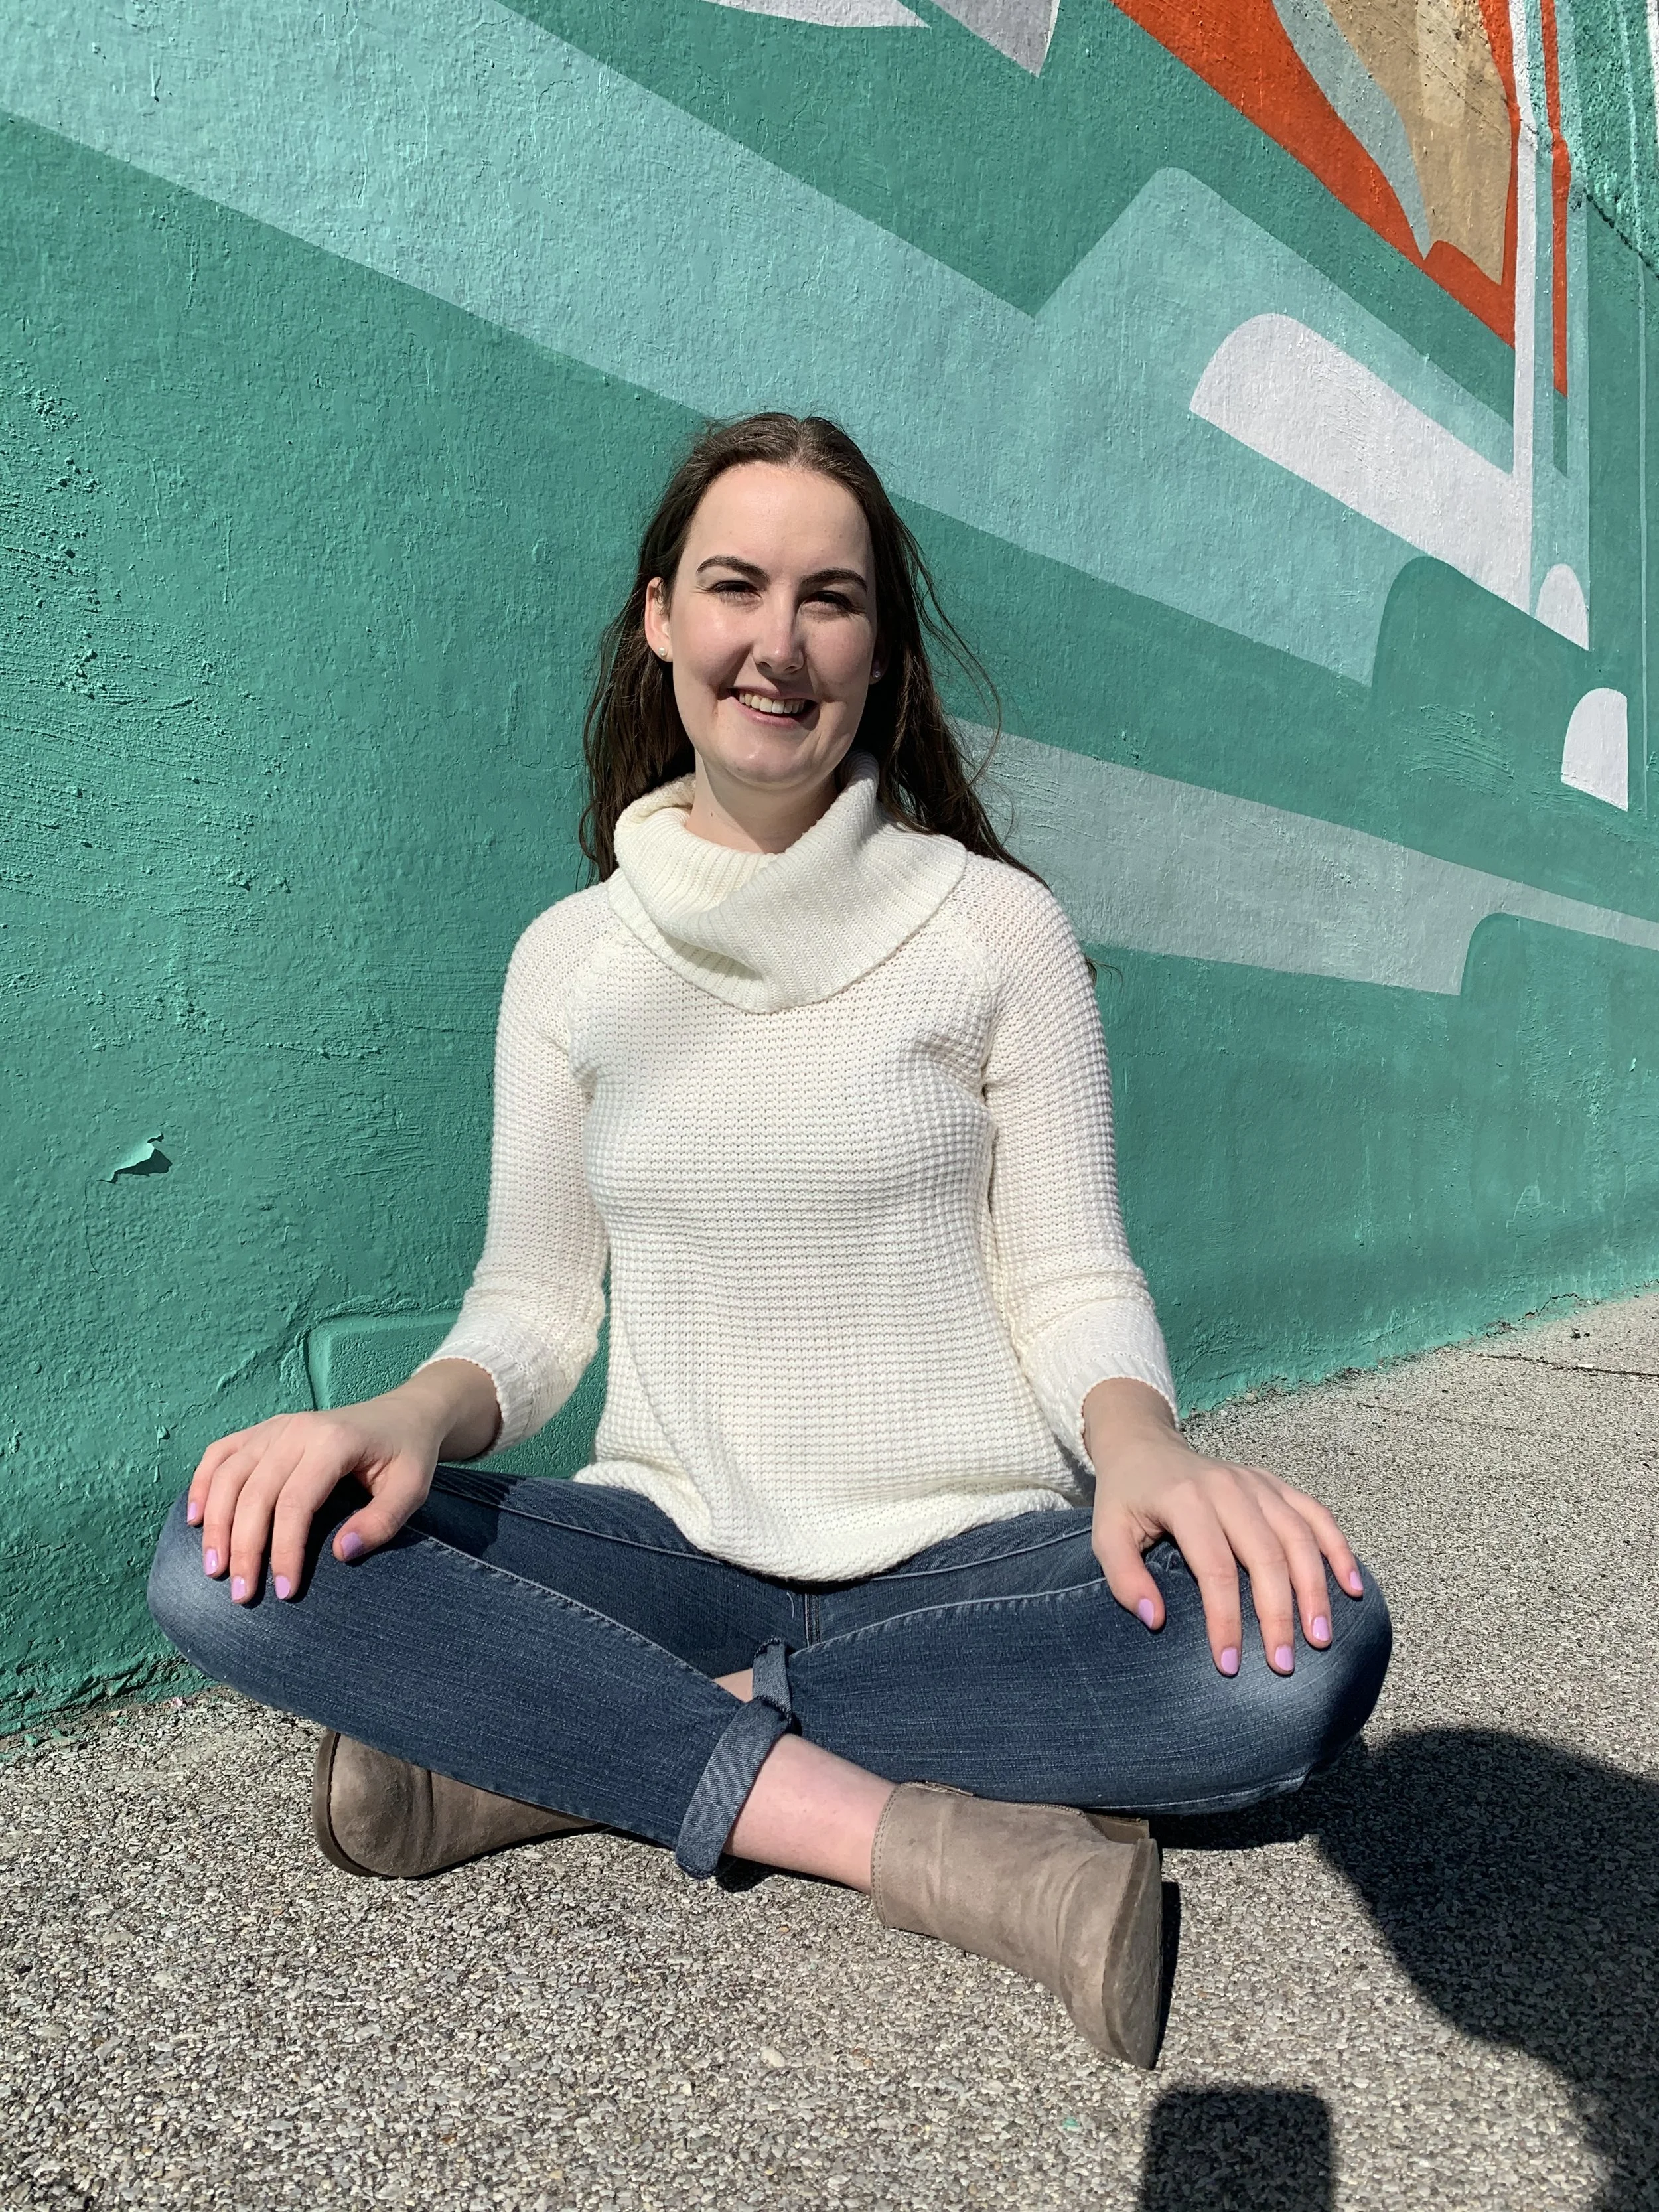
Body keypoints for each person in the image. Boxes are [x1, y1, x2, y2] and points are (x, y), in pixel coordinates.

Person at [148, 412, 1390, 2069]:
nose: (777, 643)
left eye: (831, 598)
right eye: (735, 587)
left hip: (967, 1568)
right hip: (665, 1552)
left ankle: (536, 1752)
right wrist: (398, 1419)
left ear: (877, 652)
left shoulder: (994, 931)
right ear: (659, 615)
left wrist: (1145, 1442)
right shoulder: (569, 958)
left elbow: (1071, 1270)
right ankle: (907, 1836)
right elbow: (531, 1305)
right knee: (224, 1560)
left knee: (1306, 1653)